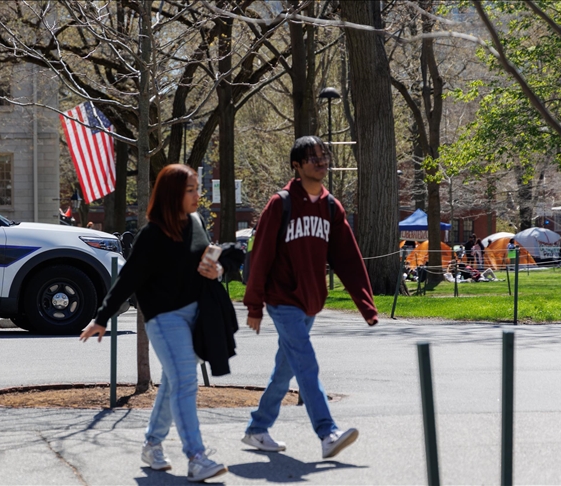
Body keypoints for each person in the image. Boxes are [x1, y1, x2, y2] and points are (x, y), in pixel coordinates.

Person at [79, 164, 228, 483]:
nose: (197, 195)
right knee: (186, 378)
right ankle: (196, 457)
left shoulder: (197, 222)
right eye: (191, 190)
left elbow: (209, 262)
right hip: (163, 319)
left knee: (175, 381)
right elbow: (127, 280)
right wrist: (102, 318)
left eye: (198, 188)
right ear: (172, 193)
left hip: (194, 314)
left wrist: (217, 271)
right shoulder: (152, 235)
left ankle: (151, 444)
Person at [241, 136, 378, 460]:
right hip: (282, 298)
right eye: (312, 157)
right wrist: (255, 304)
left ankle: (257, 428)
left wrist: (366, 305)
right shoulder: (281, 203)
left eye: (323, 156)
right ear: (297, 166)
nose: (321, 162)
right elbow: (260, 256)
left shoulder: (331, 206)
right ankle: (327, 431)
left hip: (311, 301)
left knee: (285, 369)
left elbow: (347, 257)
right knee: (306, 361)